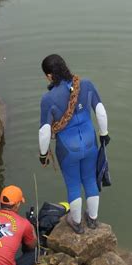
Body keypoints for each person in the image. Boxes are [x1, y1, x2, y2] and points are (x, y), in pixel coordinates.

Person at [39, 54, 110, 234]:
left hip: (67, 148)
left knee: (73, 184)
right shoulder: (85, 85)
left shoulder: (48, 99)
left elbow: (44, 131)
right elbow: (100, 111)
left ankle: (77, 222)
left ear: (49, 76)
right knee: (89, 179)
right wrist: (104, 134)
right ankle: (93, 219)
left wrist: (43, 154)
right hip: (90, 143)